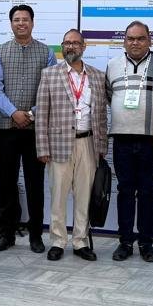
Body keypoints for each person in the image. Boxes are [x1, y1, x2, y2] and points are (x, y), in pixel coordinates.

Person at [37, 30, 109, 261]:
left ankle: (81, 241)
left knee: (84, 196)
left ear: (84, 46)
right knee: (58, 196)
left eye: (75, 43)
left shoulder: (97, 76)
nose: (71, 47)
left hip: (88, 143)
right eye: (67, 43)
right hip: (58, 145)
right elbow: (42, 115)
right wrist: (42, 148)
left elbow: (102, 115)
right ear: (62, 46)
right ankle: (58, 241)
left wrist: (102, 147)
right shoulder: (49, 74)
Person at [0, 5, 55, 254]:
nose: (21, 23)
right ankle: (7, 233)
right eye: (16, 20)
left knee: (35, 184)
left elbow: (50, 90)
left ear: (32, 22)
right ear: (11, 24)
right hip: (5, 129)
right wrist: (14, 113)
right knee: (7, 183)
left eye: (25, 19)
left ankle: (36, 235)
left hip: (35, 131)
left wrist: (30, 114)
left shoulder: (47, 53)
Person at [104, 22, 153, 263]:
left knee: (147, 191)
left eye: (140, 38)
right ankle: (125, 242)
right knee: (125, 191)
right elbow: (110, 96)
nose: (135, 43)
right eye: (130, 38)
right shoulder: (112, 65)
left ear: (149, 40)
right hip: (122, 138)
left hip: (150, 138)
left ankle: (146, 244)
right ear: (124, 41)